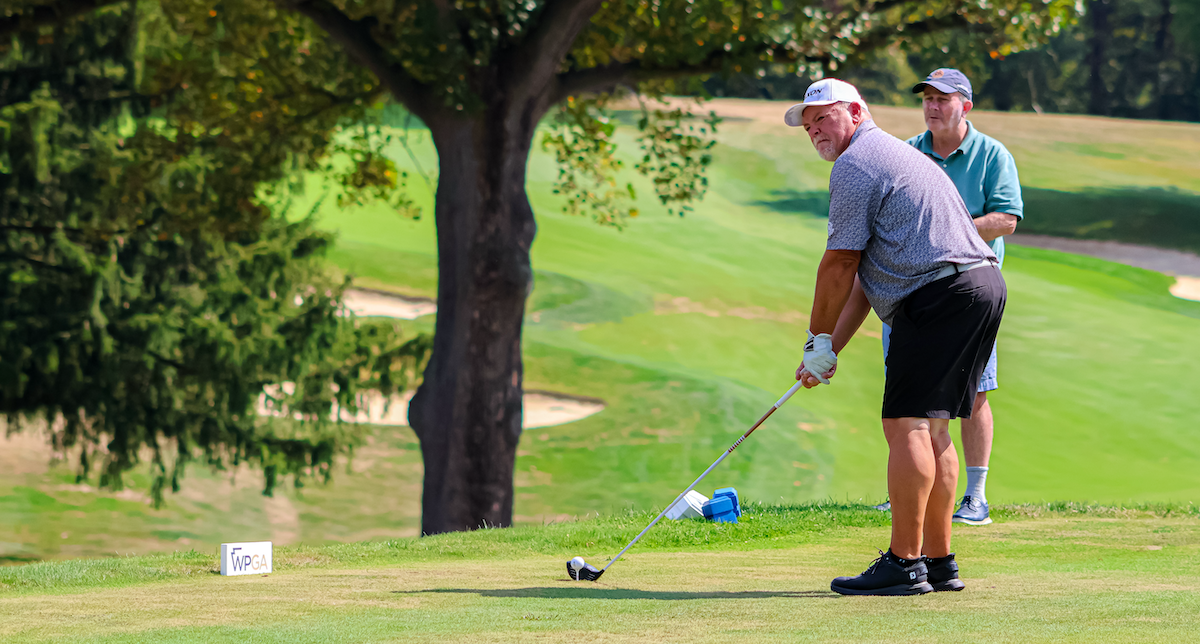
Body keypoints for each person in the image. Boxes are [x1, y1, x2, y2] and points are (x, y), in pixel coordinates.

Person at [783, 78, 1006, 595]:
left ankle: (904, 564)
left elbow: (838, 264)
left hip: (939, 296)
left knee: (905, 424)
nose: (815, 129)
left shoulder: (857, 164)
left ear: (857, 111)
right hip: (977, 287)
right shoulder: (890, 156)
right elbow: (863, 277)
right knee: (935, 429)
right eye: (809, 124)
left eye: (825, 116)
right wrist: (826, 349)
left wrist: (814, 337)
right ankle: (938, 560)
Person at [874, 69, 1024, 525]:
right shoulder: (905, 153)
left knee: (975, 393)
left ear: (966, 106)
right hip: (910, 290)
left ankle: (974, 497)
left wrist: (947, 229)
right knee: (907, 396)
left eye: (944, 98)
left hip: (966, 294)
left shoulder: (991, 155)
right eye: (928, 98)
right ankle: (908, 490)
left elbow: (1007, 219)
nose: (933, 106)